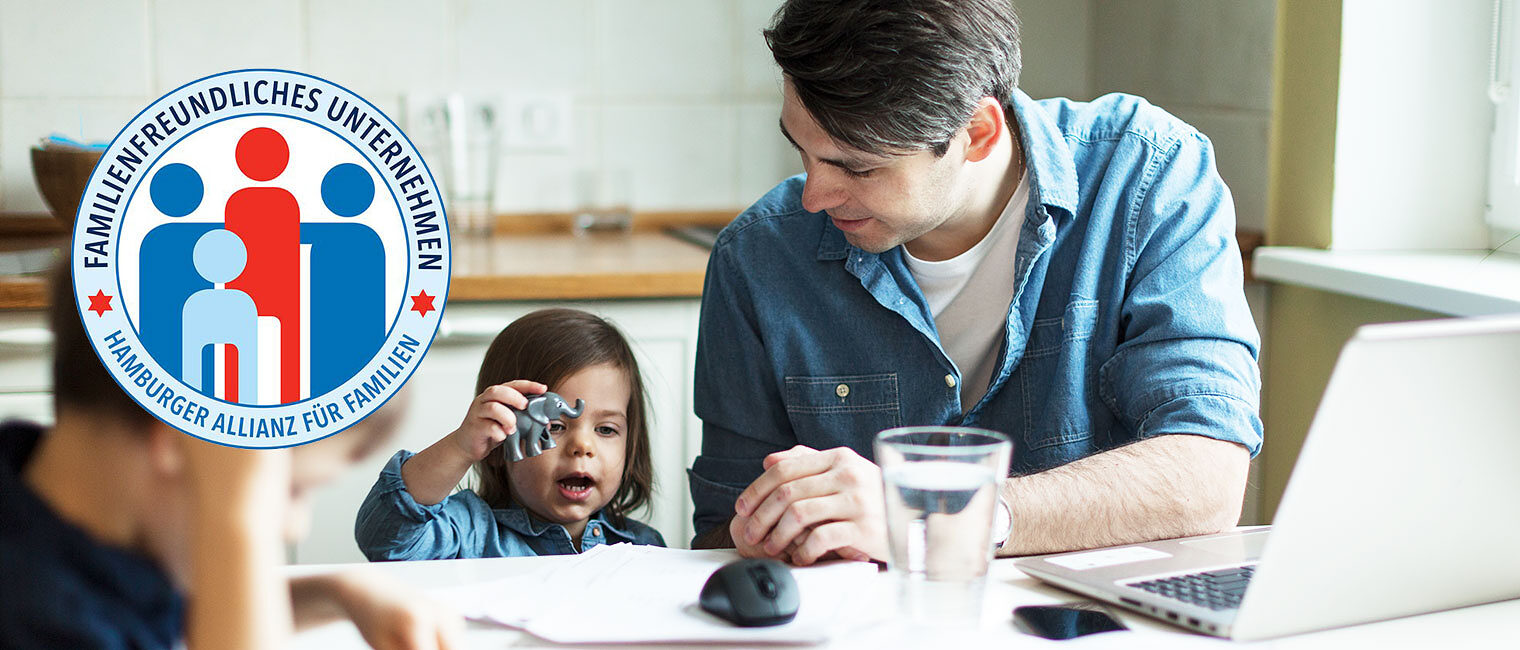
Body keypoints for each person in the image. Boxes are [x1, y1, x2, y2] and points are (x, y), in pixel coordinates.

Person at [689, 0, 1262, 565]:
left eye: (857, 167)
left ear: (979, 132)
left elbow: (1207, 476)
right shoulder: (759, 255)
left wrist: (938, 516)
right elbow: (723, 532)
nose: (814, 196)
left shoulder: (1148, 177)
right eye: (803, 152)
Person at [0, 263, 462, 650]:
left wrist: (335, 593)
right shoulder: (37, 619)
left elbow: (179, 612)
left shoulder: (50, 508)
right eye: (288, 489)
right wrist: (235, 517)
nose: (293, 525)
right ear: (181, 436)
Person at [356, 308, 664, 559]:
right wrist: (461, 447)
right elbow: (385, 539)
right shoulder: (469, 534)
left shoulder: (644, 547)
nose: (583, 446)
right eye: (555, 427)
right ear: (498, 442)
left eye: (606, 429)